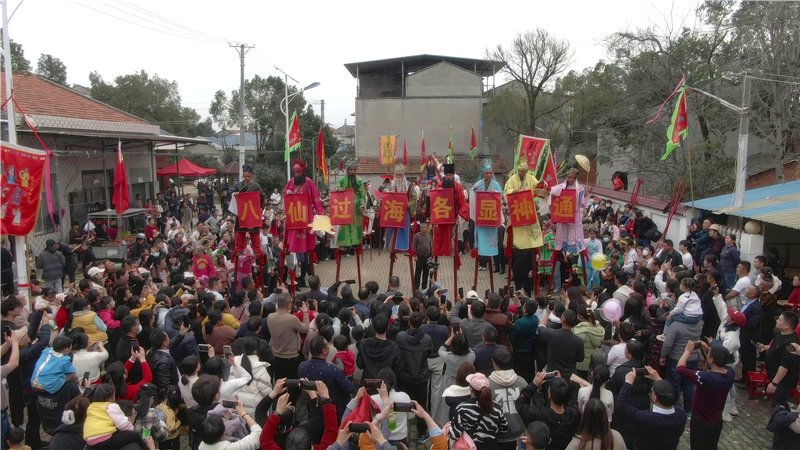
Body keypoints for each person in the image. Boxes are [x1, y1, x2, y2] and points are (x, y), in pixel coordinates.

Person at [679, 342, 735, 449]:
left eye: (709, 354)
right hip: (716, 421)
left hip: (701, 421)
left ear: (711, 360)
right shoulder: (730, 373)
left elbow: (680, 368)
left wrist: (687, 351)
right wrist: (709, 349)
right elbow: (721, 362)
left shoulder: (706, 378)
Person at [616, 367, 687, 450]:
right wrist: (658, 379)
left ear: (655, 398)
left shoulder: (647, 418)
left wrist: (628, 383)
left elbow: (622, 407)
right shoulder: (681, 415)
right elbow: (674, 398)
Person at [283, 161, 325, 287]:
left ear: (303, 172)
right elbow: (285, 195)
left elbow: (316, 199)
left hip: (306, 218)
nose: (297, 175)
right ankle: (293, 279)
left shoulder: (309, 183)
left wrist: (321, 216)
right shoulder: (290, 182)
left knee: (307, 249)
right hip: (294, 219)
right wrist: (287, 193)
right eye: (295, 172)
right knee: (292, 247)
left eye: (299, 172)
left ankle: (310, 279)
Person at [395, 311, 434, 438]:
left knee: (402, 404)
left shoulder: (401, 336)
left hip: (404, 376)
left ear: (409, 322)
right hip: (420, 377)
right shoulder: (427, 339)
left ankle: (401, 430)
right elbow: (430, 352)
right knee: (421, 404)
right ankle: (422, 432)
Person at [516, 375, 582, 450]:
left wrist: (534, 385)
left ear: (549, 394)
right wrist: (562, 386)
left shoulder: (539, 415)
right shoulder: (575, 415)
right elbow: (572, 399)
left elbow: (520, 404)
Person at [298, 335, 356, 420]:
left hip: (313, 408)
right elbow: (350, 388)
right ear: (324, 351)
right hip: (334, 410)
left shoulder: (302, 366)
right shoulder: (332, 369)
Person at [448, 372, 509, 450]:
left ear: (471, 388)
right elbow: (504, 429)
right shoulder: (497, 408)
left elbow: (455, 434)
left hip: (470, 447)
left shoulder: (462, 409)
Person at [83, 383, 151, 450]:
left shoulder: (91, 406)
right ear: (110, 399)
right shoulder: (111, 406)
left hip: (90, 440)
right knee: (135, 436)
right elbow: (123, 424)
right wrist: (130, 431)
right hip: (104, 438)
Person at [488, 348, 528, 450]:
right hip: (520, 434)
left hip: (498, 437)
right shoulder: (522, 382)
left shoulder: (488, 384)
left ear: (494, 363)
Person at [471, 158, 506, 271]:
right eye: (487, 173)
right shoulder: (478, 184)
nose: (489, 175)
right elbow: (472, 194)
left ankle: (493, 264)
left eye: (491, 173)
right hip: (482, 216)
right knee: (481, 238)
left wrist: (494, 193)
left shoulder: (495, 184)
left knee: (493, 239)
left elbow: (500, 197)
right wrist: (474, 191)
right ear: (483, 173)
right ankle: (482, 263)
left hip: (492, 216)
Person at [760, 311, 800, 408]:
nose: (777, 320)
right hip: (774, 376)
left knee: (777, 407)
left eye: (780, 319)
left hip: (783, 382)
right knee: (780, 404)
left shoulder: (792, 344)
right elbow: (776, 346)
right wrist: (766, 347)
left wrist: (774, 383)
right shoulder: (779, 334)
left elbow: (785, 366)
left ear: (787, 325)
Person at [266, 293, 309, 380]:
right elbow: (305, 329)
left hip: (276, 356)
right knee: (292, 383)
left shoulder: (270, 317)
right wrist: (305, 313)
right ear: (288, 304)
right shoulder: (291, 319)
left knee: (280, 382)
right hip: (291, 357)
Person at [432, 163, 470, 258]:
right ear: (444, 175)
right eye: (447, 175)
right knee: (441, 234)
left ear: (453, 176)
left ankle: (452, 251)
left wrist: (460, 215)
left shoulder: (457, 187)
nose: (448, 177)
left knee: (453, 235)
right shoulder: (440, 185)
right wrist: (438, 192)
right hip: (442, 215)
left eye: (450, 175)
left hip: (454, 215)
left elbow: (462, 202)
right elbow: (434, 200)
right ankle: (440, 251)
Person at [537, 307, 585, 380]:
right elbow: (580, 359)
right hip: (570, 375)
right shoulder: (578, 340)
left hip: (553, 373)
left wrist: (547, 313)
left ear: (562, 320)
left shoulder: (551, 334)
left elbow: (540, 327)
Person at [231, 164, 266, 256]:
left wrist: (262, 200)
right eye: (245, 176)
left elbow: (263, 196)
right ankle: (239, 249)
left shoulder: (256, 186)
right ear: (243, 176)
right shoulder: (238, 185)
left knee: (254, 233)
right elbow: (230, 192)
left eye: (249, 176)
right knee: (240, 232)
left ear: (252, 176)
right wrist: (234, 194)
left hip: (252, 213)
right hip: (242, 213)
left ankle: (256, 249)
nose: (247, 178)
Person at [333, 156, 368, 248]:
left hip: (356, 206)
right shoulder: (342, 180)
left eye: (354, 169)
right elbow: (335, 188)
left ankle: (355, 243)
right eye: (350, 169)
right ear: (347, 170)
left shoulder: (359, 180)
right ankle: (344, 243)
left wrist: (361, 205)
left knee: (356, 223)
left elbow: (362, 195)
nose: (352, 171)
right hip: (345, 205)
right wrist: (339, 189)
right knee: (345, 224)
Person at [357, 313, 404, 381]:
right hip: (386, 385)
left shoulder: (364, 343)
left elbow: (360, 364)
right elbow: (399, 368)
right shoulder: (394, 347)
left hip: (368, 384)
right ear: (388, 326)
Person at [737, 285, 763, 384]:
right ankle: (744, 378)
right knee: (744, 358)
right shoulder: (747, 303)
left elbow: (752, 323)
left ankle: (748, 381)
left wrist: (740, 322)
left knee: (749, 359)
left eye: (748, 290)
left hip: (749, 337)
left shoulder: (755, 307)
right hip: (743, 335)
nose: (746, 290)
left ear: (753, 294)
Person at [412, 224, 433, 291]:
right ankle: (416, 286)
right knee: (418, 272)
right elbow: (414, 246)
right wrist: (415, 255)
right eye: (423, 228)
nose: (425, 229)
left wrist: (431, 255)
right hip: (420, 256)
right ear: (420, 228)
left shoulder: (429, 236)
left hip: (427, 256)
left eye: (426, 228)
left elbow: (430, 245)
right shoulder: (417, 236)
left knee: (426, 272)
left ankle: (424, 286)